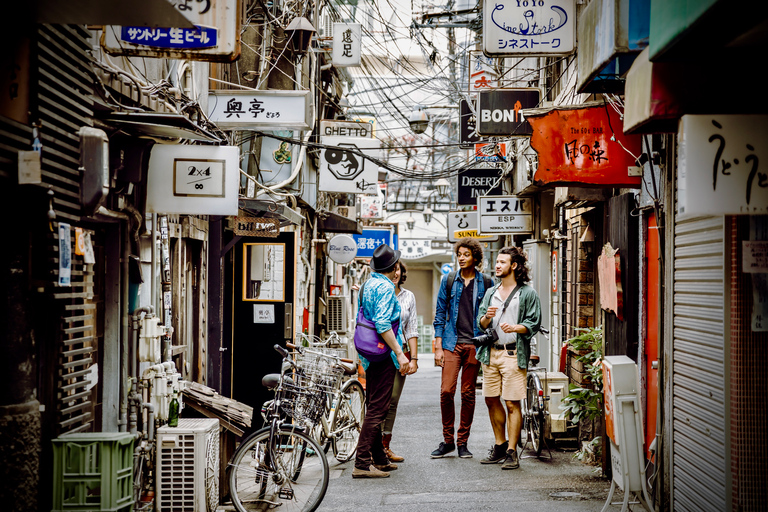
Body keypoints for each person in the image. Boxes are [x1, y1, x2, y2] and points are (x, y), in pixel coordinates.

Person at [476, 246, 541, 470]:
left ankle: (512, 451)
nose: (497, 265)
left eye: (503, 262)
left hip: (514, 353)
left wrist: (516, 327)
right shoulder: (490, 292)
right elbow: (481, 323)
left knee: (512, 403)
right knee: (490, 399)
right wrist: (486, 317)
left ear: (514, 266)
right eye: (497, 262)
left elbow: (533, 323)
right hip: (491, 352)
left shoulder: (527, 293)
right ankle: (500, 445)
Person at [431, 238, 494, 459]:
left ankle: (462, 442)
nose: (461, 257)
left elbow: (491, 315)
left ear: (475, 257)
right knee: (446, 390)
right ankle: (447, 440)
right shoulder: (449, 280)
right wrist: (438, 346)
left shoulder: (486, 282)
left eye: (466, 254)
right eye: (459, 254)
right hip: (451, 342)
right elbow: (439, 314)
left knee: (468, 393)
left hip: (475, 344)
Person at [352, 244, 410, 479]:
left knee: (374, 405)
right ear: (394, 268)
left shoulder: (367, 284)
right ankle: (362, 463)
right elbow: (383, 324)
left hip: (367, 353)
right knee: (378, 409)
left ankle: (379, 458)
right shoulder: (386, 288)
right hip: (382, 352)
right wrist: (399, 352)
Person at [381, 260, 419, 462]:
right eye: (391, 268)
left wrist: (414, 358)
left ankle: (385, 446)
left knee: (393, 400)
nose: (395, 273)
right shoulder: (377, 291)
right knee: (378, 401)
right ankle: (371, 446)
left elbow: (411, 328)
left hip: (401, 353)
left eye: (398, 269)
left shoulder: (408, 296)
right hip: (378, 351)